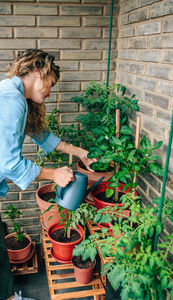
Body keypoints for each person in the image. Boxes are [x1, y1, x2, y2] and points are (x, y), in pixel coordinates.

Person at [0, 49, 96, 300]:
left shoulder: (15, 95)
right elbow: (9, 164)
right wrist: (53, 174)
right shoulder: (12, 100)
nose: (50, 92)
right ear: (38, 71)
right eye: (51, 83)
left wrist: (77, 152)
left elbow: (40, 133)